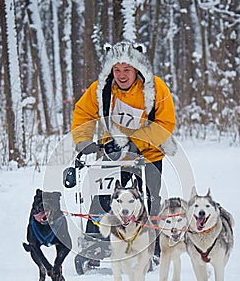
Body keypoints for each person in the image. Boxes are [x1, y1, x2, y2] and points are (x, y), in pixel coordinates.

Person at [71, 42, 176, 263]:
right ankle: (97, 243)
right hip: (114, 153)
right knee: (105, 198)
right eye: (116, 70)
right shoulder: (102, 89)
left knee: (147, 199)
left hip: (149, 154)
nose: (121, 75)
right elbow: (83, 112)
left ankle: (151, 246)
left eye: (126, 69)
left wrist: (137, 143)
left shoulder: (155, 88)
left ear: (137, 69)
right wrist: (83, 142)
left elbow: (166, 123)